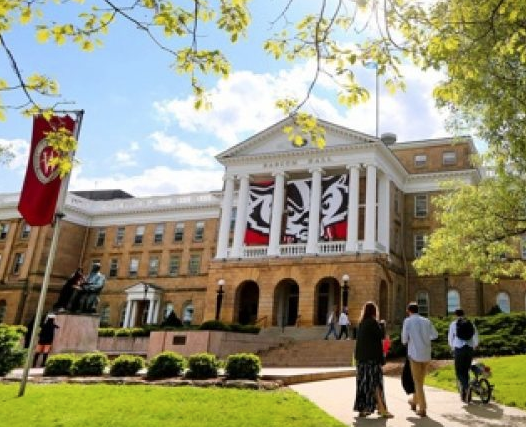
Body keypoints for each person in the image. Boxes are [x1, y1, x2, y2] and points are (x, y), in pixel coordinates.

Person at [353, 301, 393, 418]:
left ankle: (363, 408)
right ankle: (381, 409)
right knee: (376, 383)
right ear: (374, 311)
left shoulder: (361, 324)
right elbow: (381, 335)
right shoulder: (373, 323)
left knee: (363, 383)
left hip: (361, 359)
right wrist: (383, 325)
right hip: (372, 359)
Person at [401, 302, 438, 418]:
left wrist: (412, 339)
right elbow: (435, 335)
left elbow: (404, 340)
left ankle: (422, 408)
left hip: (414, 355)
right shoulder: (426, 321)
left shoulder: (408, 321)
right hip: (426, 354)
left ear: (408, 310)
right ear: (418, 310)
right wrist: (425, 338)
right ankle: (413, 401)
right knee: (420, 381)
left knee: (417, 382)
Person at [448, 308, 479, 403]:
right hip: (469, 348)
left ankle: (466, 387)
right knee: (466, 370)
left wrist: (452, 347)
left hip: (459, 349)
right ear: (464, 314)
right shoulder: (470, 323)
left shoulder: (454, 324)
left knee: (459, 372)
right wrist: (475, 345)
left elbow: (450, 337)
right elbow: (475, 335)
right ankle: (466, 395)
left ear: (455, 315)